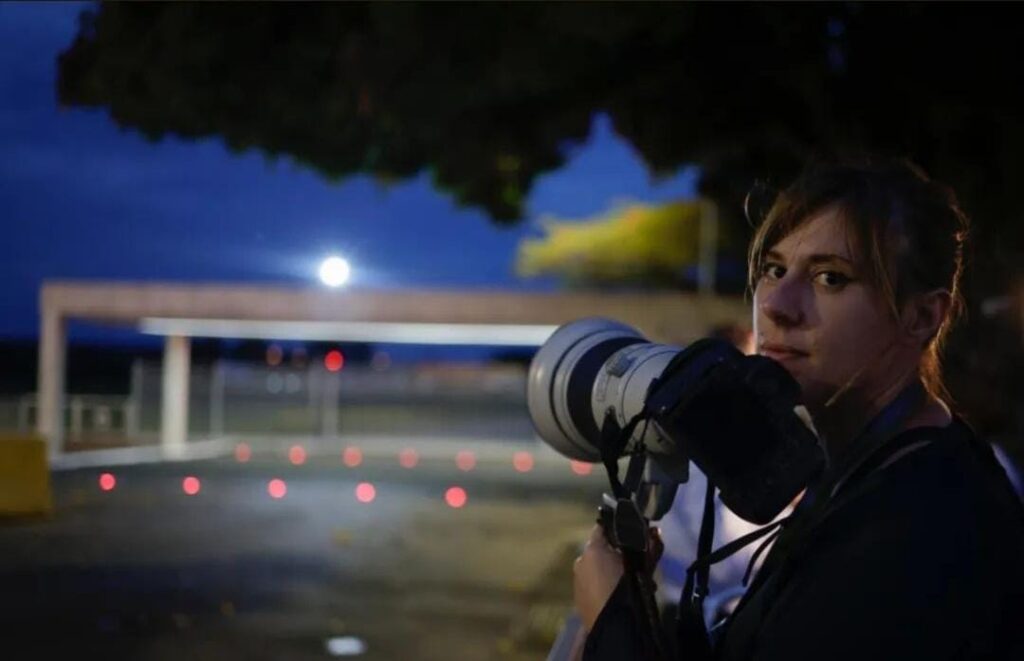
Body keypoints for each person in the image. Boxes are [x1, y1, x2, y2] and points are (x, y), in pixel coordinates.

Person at [572, 158, 1024, 660]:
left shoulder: (924, 529)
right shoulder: (868, 472)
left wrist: (614, 622)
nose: (776, 305)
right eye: (774, 269)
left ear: (921, 316)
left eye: (831, 277)